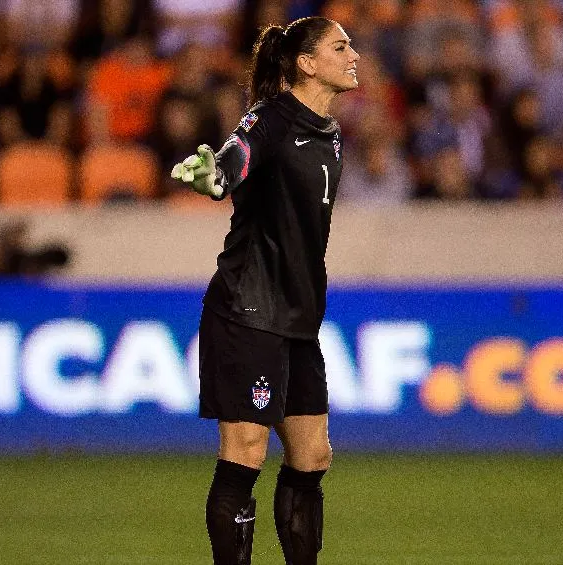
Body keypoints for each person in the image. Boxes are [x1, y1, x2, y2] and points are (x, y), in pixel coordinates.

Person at [170, 16, 359, 565]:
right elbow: (238, 152)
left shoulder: (330, 131)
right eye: (340, 46)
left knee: (312, 455)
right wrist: (219, 176)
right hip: (247, 309)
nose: (354, 55)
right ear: (307, 63)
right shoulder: (271, 119)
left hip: (298, 318)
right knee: (245, 452)